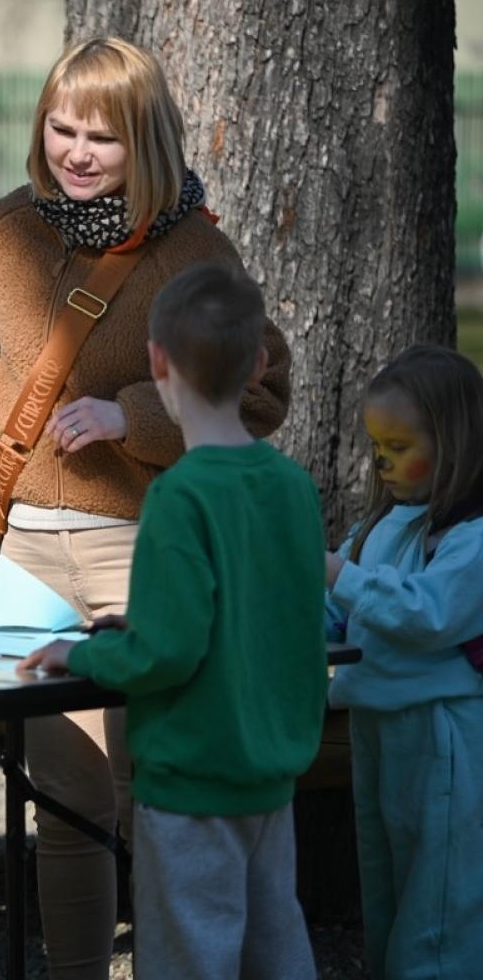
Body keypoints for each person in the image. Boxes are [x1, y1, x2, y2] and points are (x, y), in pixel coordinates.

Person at [0, 36, 292, 978]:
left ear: (147, 140)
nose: (77, 151)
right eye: (61, 127)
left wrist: (133, 414)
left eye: (103, 135)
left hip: (141, 548)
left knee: (151, 789)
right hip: (27, 548)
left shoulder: (195, 247)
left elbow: (258, 390)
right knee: (66, 800)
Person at [19, 263, 324, 980]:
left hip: (192, 785)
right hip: (273, 776)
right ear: (257, 364)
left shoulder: (180, 496)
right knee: (276, 953)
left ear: (156, 362)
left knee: (191, 959)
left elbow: (168, 652)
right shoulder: (293, 488)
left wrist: (86, 654)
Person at [322, 344, 483, 979]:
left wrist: (339, 575)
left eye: (398, 446)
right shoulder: (383, 526)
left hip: (441, 729)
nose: (382, 461)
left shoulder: (472, 538)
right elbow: (335, 609)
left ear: (455, 442)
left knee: (438, 890)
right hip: (377, 721)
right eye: (376, 446)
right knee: (385, 873)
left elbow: (428, 615)